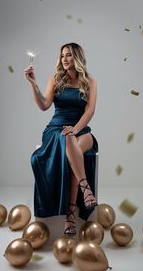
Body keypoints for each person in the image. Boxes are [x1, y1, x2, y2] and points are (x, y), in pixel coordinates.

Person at [24, 43, 98, 236]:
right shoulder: (55, 79)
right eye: (62, 56)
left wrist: (75, 129)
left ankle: (72, 211)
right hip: (56, 130)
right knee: (71, 147)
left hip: (81, 128)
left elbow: (89, 111)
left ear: (77, 58)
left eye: (69, 56)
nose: (65, 59)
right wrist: (33, 84)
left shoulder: (90, 81)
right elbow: (44, 105)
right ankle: (78, 200)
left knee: (75, 145)